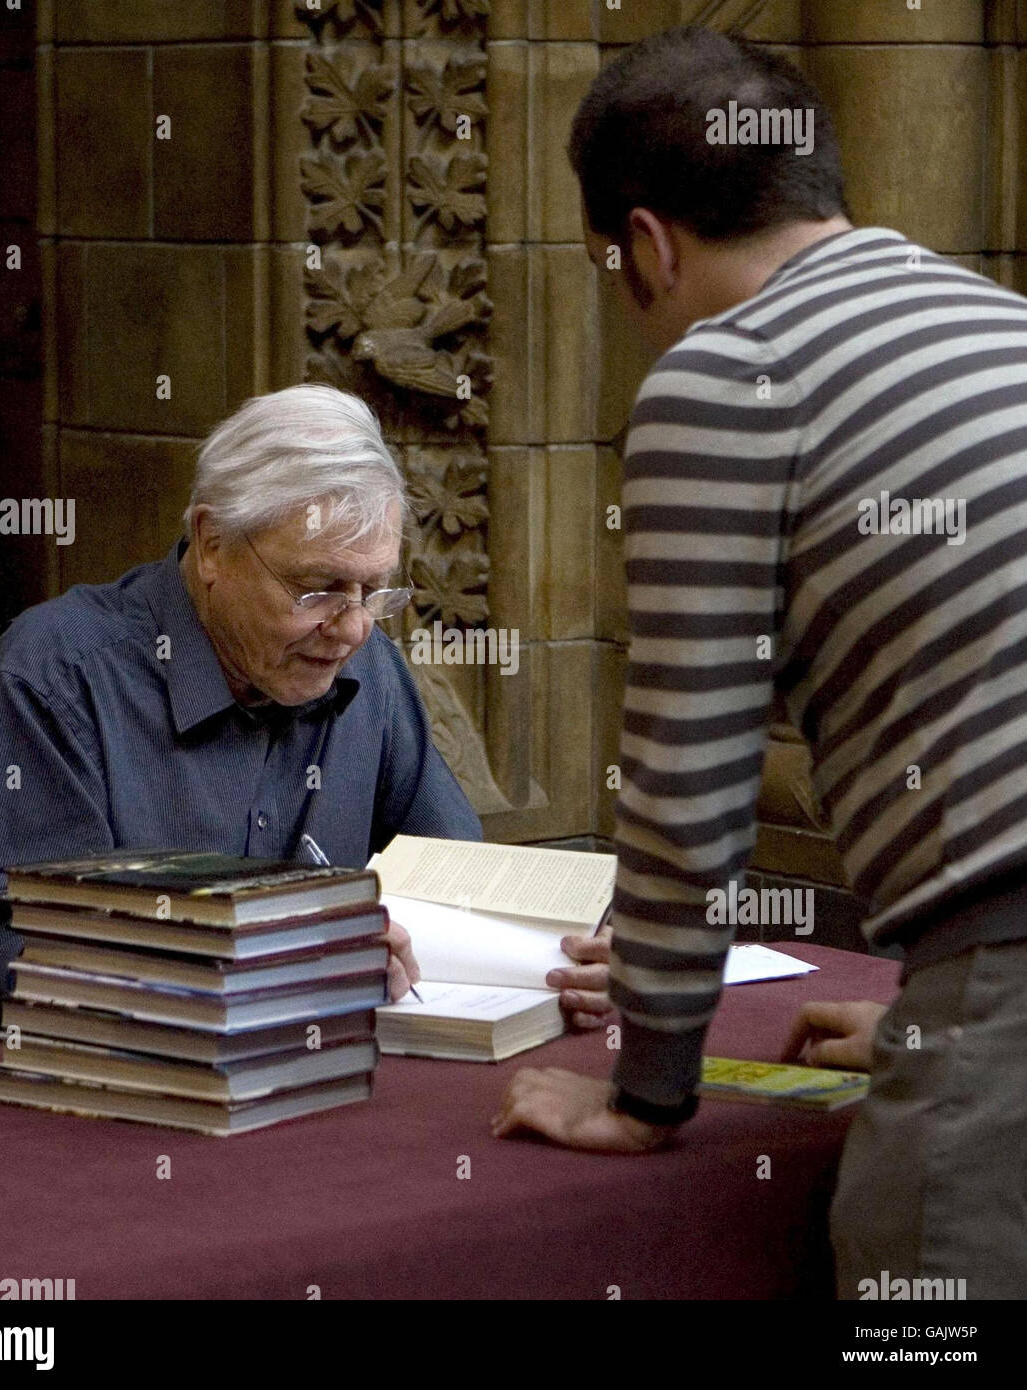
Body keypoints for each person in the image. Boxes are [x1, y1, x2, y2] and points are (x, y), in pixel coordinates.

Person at [492, 26, 1027, 1301]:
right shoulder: (996, 323)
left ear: (649, 243)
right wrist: (928, 1006)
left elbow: (686, 773)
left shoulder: (725, 375)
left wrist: (643, 1093)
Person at [0, 385, 609, 1052]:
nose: (355, 627)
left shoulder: (366, 668)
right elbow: (3, 973)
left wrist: (565, 955)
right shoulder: (53, 681)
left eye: (374, 590)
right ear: (212, 545)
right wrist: (279, 967)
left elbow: (455, 884)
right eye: (319, 588)